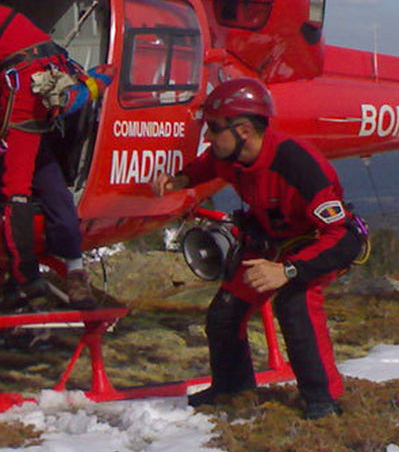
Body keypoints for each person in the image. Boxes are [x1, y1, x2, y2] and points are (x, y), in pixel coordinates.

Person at [151, 78, 364, 419]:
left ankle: (323, 401)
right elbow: (208, 163)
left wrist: (288, 271)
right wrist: (181, 179)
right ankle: (231, 389)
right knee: (225, 312)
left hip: (309, 249)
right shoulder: (231, 154)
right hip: (267, 243)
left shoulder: (300, 166)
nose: (208, 136)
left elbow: (345, 238)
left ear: (244, 130)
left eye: (214, 128)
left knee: (295, 307)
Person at [0, 0, 105, 310]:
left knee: (17, 188)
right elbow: (79, 91)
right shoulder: (3, 19)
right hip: (40, 91)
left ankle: (27, 274)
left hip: (22, 96)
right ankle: (73, 269)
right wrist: (101, 80)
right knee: (47, 176)